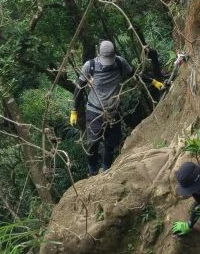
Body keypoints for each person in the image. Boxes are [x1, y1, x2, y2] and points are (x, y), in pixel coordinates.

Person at [70, 41, 164, 175]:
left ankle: (106, 169)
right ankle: (92, 172)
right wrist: (74, 110)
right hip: (94, 112)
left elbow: (135, 75)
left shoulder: (120, 63)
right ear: (98, 54)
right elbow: (79, 87)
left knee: (110, 144)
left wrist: (153, 82)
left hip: (114, 112)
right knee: (92, 145)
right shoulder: (90, 66)